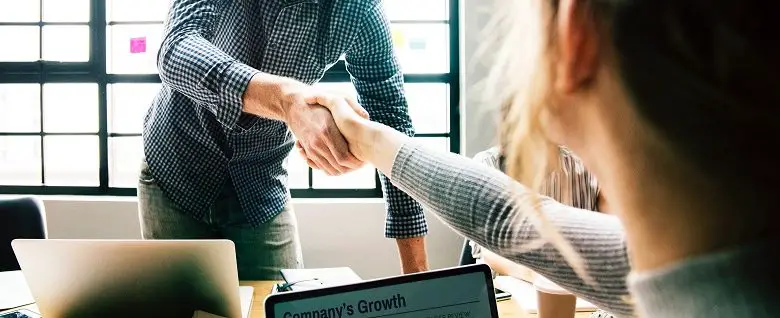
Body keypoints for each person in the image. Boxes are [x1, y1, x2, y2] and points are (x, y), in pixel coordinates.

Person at [309, 0, 780, 315]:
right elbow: (506, 219)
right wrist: (369, 139)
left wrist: (364, 138)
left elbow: (507, 222)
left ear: (574, 34)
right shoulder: (689, 259)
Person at [138, 0, 429, 280]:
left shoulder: (360, 7)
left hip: (260, 184)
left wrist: (418, 277)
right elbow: (176, 48)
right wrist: (288, 100)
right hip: (174, 166)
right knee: (178, 308)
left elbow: (390, 118)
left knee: (280, 305)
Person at [471, 147, 617, 318]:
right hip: (508, 298)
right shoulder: (488, 165)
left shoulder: (588, 168)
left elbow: (613, 243)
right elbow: (488, 253)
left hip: (582, 300)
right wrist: (538, 274)